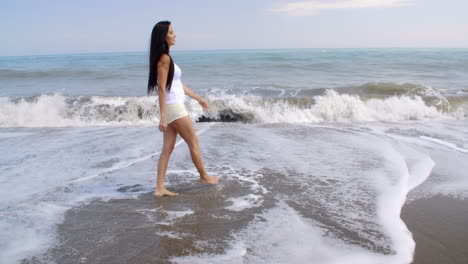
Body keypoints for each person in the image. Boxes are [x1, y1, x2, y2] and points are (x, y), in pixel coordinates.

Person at [148, 21, 219, 197]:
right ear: (163, 37)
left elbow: (179, 85)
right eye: (171, 32)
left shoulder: (167, 58)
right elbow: (162, 88)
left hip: (173, 107)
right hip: (174, 108)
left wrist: (199, 98)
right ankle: (204, 177)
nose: (175, 35)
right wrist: (163, 117)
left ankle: (159, 188)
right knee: (193, 142)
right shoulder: (164, 59)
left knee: (168, 148)